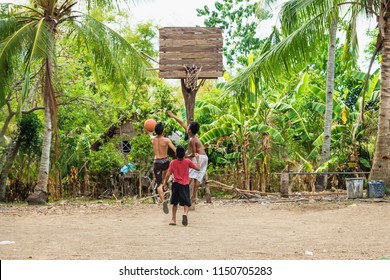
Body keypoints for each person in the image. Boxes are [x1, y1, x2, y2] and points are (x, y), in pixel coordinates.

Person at [167, 111, 209, 206]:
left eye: (188, 127)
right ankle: (194, 197)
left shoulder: (192, 140)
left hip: (200, 157)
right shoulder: (192, 135)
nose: (187, 127)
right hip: (204, 157)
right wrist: (173, 116)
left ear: (189, 130)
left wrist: (186, 156)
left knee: (189, 176)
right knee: (197, 177)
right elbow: (182, 123)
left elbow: (194, 154)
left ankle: (185, 195)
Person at [161, 145, 200, 226]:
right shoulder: (187, 162)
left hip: (176, 184)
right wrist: (197, 159)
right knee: (186, 202)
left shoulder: (173, 162)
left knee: (175, 203)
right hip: (185, 185)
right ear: (184, 154)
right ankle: (185, 214)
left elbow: (168, 174)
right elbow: (198, 168)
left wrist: (165, 183)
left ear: (176, 154)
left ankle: (173, 219)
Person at [149, 122, 176, 214]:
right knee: (166, 179)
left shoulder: (153, 140)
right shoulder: (166, 140)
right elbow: (175, 150)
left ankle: (163, 201)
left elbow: (150, 135)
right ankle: (166, 185)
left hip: (157, 163)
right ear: (163, 130)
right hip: (165, 162)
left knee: (159, 184)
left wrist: (150, 131)